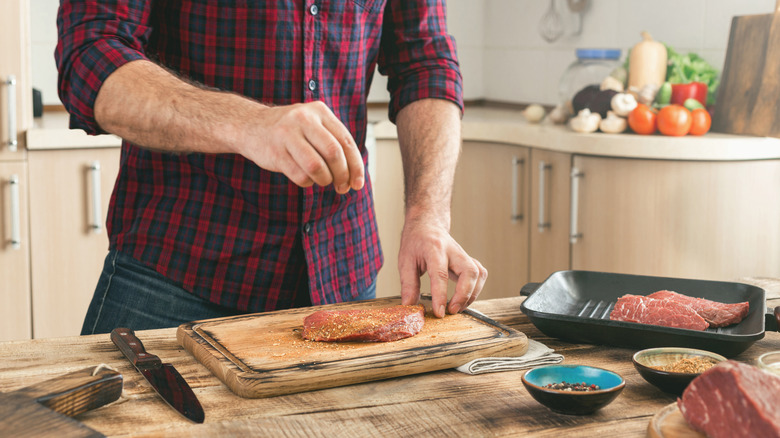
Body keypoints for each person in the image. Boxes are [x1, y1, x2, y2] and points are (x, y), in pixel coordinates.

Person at [56, 0, 487, 335]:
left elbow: (425, 64)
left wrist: (427, 215)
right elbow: (90, 54)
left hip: (342, 274)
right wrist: (249, 124)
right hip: (174, 276)